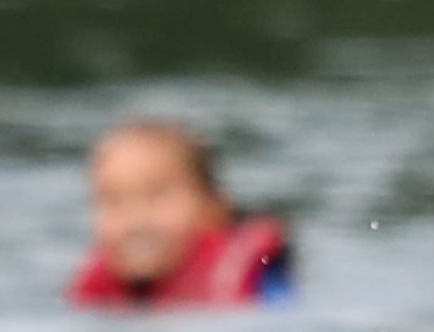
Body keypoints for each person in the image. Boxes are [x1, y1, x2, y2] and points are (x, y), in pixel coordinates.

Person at [68, 119, 294, 309]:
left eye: (157, 195)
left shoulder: (261, 288)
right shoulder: (98, 298)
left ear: (213, 207)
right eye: (113, 200)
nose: (135, 219)